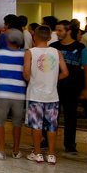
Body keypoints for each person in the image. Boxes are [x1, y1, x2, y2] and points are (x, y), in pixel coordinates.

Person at [24, 25, 67, 164]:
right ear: (49, 37)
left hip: (35, 94)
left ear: (34, 36)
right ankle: (52, 155)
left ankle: (37, 153)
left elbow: (25, 74)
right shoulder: (57, 52)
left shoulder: (30, 52)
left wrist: (35, 79)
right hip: (52, 95)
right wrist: (53, 80)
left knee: (37, 125)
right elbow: (66, 72)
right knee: (52, 126)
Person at [52, 20, 87, 153]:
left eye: (60, 30)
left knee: (71, 116)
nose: (57, 33)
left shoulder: (81, 48)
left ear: (68, 31)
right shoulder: (53, 47)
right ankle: (48, 139)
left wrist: (86, 89)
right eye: (56, 30)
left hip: (73, 87)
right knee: (52, 116)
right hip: (55, 87)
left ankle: (70, 143)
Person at [0, 30, 26, 159]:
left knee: (0, 121)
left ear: (8, 40)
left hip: (2, 92)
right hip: (19, 93)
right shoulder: (25, 55)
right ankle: (16, 151)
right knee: (17, 123)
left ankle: (1, 150)